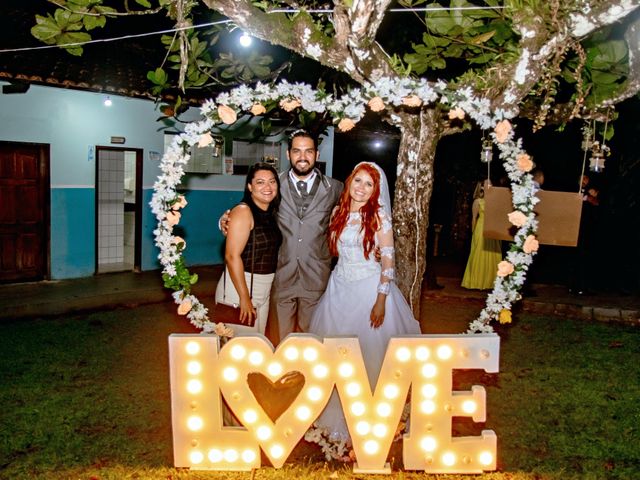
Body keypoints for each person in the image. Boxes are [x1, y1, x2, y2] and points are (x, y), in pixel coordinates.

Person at [306, 162, 421, 452]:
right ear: (350, 182)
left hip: (369, 290)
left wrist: (381, 300)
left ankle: (371, 416)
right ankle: (335, 412)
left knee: (369, 353)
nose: (361, 188)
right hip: (339, 288)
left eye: (369, 184)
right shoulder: (339, 212)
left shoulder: (380, 217)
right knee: (335, 352)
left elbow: (388, 264)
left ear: (375, 191)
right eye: (358, 181)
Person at [221, 130, 343, 341]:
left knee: (312, 340)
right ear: (288, 154)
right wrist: (225, 220)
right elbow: (253, 211)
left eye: (308, 151)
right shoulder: (274, 185)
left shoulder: (335, 188)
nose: (302, 157)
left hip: (317, 276)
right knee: (279, 340)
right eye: (297, 151)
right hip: (280, 276)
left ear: (317, 154)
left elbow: (352, 218)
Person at [215, 163, 282, 335]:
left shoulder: (271, 213)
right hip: (240, 287)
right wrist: (244, 298)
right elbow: (231, 256)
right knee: (237, 349)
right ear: (250, 187)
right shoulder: (243, 211)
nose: (267, 187)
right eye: (260, 182)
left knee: (256, 347)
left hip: (263, 289)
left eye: (272, 181)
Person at [461, 182, 503, 290]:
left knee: (492, 255)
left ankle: (491, 283)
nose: (490, 185)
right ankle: (475, 282)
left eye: (491, 183)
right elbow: (474, 218)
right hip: (480, 229)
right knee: (478, 254)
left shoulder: (495, 201)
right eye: (487, 183)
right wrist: (473, 233)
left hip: (492, 229)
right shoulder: (477, 201)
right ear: (482, 187)